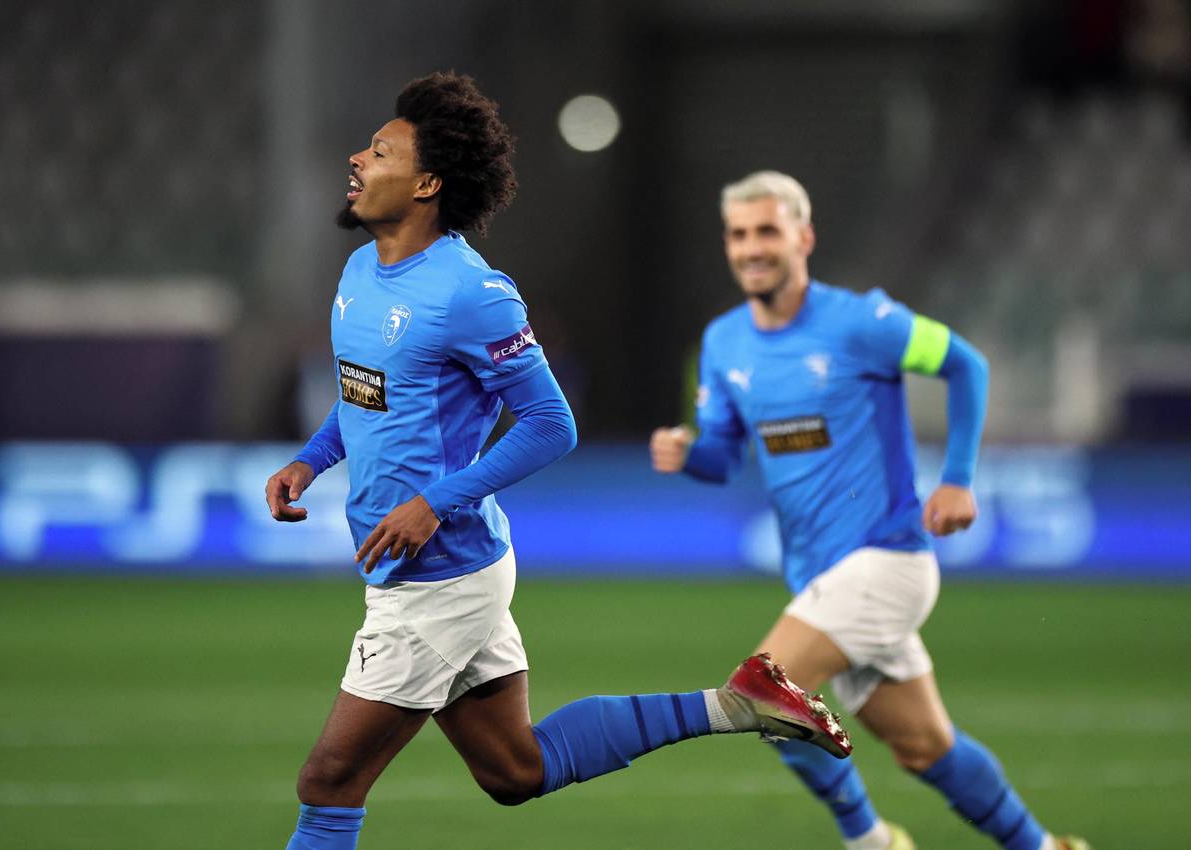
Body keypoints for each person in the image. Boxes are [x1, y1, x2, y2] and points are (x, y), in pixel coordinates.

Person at [264, 77, 851, 850]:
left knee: (329, 782)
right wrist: (311, 460)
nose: (357, 159)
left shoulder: (472, 293)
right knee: (516, 770)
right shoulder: (359, 273)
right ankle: (736, 704)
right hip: (427, 565)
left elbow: (551, 423)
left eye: (379, 152)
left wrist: (436, 501)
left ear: (427, 183)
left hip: (438, 577)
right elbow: (367, 395)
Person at [650, 171, 1090, 850]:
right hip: (822, 577)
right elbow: (724, 457)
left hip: (886, 560)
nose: (752, 248)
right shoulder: (723, 343)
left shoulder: (861, 322)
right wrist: (688, 453)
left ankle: (872, 842)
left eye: (767, 231)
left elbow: (965, 364)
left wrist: (958, 479)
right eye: (738, 235)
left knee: (766, 695)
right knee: (924, 749)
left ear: (804, 237)